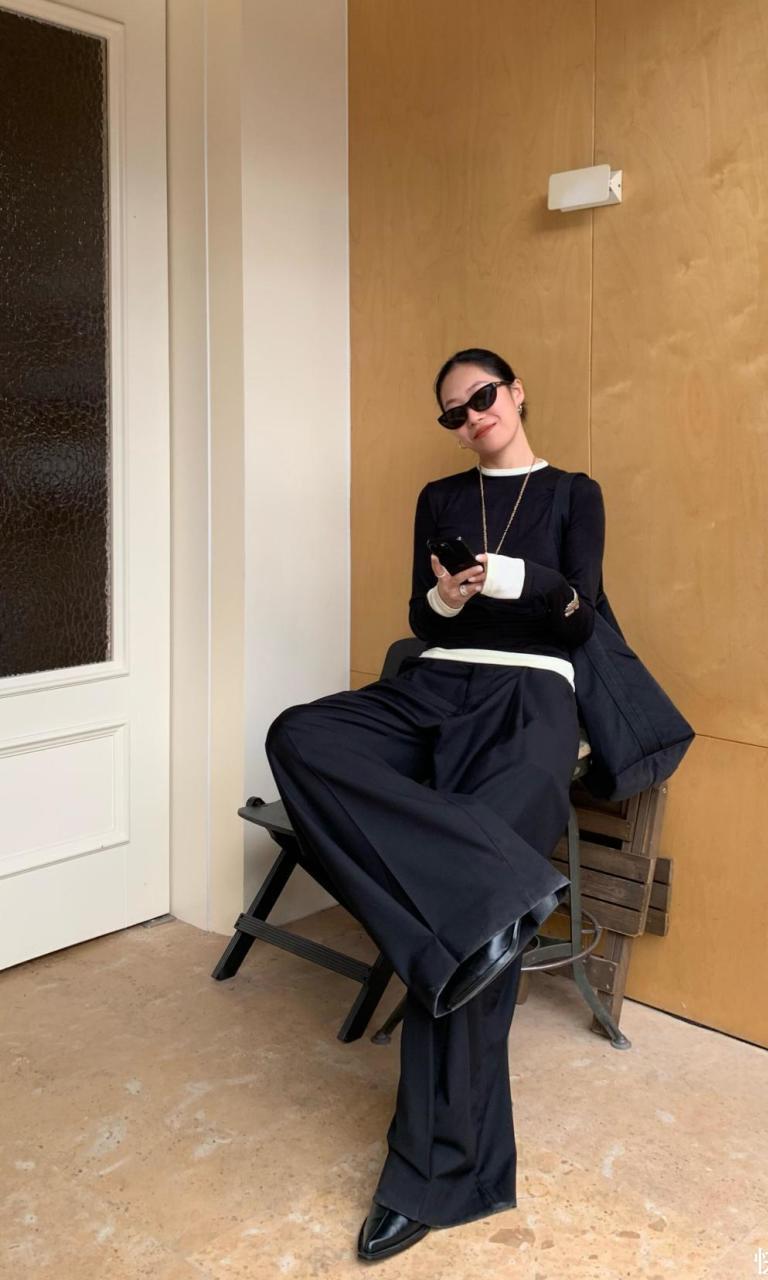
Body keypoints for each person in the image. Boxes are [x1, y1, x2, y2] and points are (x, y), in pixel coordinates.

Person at [264, 348, 605, 1262]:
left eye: (482, 397)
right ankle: (494, 896)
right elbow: (420, 622)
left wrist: (514, 580)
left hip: (531, 696)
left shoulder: (573, 493)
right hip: (434, 683)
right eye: (453, 412)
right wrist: (446, 597)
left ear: (517, 391)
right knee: (301, 736)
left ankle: (438, 1174)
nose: (471, 416)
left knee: (466, 917)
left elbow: (583, 616)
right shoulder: (441, 498)